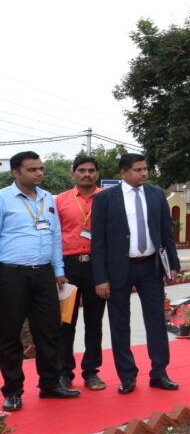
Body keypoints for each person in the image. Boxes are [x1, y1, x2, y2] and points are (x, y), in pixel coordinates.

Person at [92, 153, 180, 394]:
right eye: (138, 170)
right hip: (118, 269)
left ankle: (159, 373)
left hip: (150, 268)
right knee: (120, 324)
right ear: (123, 172)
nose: (144, 173)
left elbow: (166, 232)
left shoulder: (156, 194)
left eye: (146, 169)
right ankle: (127, 376)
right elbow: (97, 242)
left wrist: (172, 264)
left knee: (156, 322)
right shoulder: (105, 199)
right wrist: (101, 278)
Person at [0, 151, 80, 411]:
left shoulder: (48, 199)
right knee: (10, 333)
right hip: (11, 274)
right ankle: (12, 391)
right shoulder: (3, 198)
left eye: (41, 168)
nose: (39, 173)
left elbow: (55, 236)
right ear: (16, 173)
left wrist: (58, 270)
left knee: (49, 331)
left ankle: (50, 384)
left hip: (45, 274)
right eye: (32, 169)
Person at [53, 155, 106, 391]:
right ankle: (64, 373)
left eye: (91, 170)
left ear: (97, 174)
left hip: (97, 267)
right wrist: (57, 270)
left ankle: (91, 372)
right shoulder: (60, 201)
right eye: (82, 170)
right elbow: (53, 237)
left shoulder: (107, 199)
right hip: (68, 268)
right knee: (66, 323)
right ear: (73, 173)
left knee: (94, 323)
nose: (87, 174)